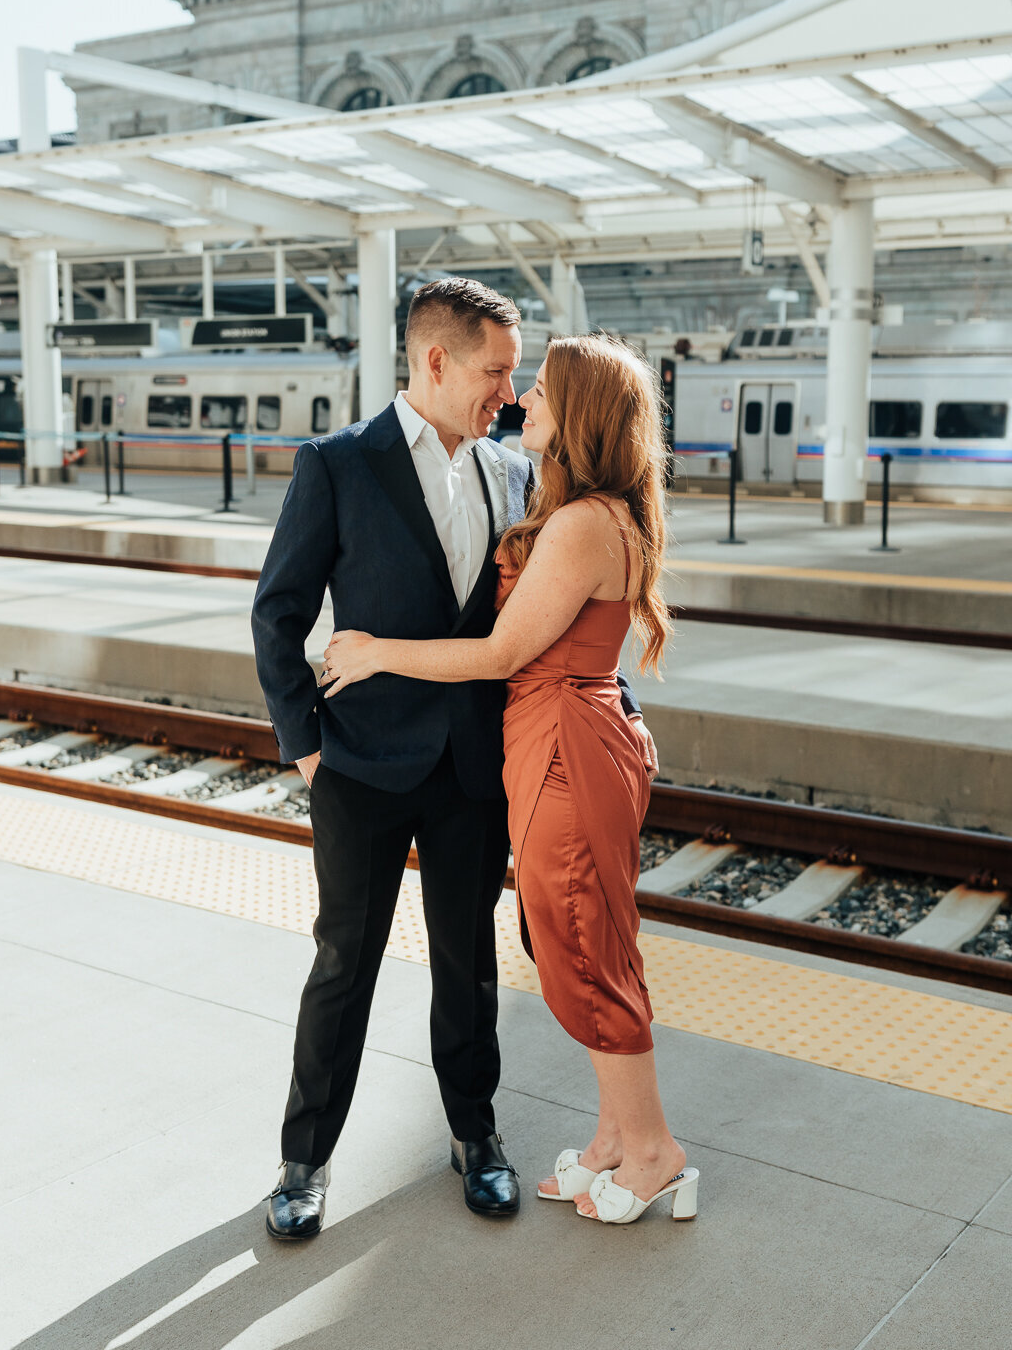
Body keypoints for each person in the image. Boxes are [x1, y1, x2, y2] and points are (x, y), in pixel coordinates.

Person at [250, 281, 657, 1239]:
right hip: (359, 768)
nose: (508, 397)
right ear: (435, 361)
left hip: (477, 768)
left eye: (518, 380)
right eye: (495, 373)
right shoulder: (337, 464)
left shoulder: (518, 475)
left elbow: (548, 630)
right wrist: (305, 749)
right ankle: (303, 1159)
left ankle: (477, 1139)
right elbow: (277, 615)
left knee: (468, 963)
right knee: (343, 961)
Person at [324, 335, 697, 1227]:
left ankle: (653, 1153)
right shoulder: (591, 511)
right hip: (563, 734)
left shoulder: (579, 525)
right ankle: (614, 1138)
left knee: (579, 945)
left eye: (541, 386)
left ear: (582, 413)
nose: (523, 397)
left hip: (566, 740)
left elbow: (500, 652)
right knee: (580, 934)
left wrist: (376, 654)